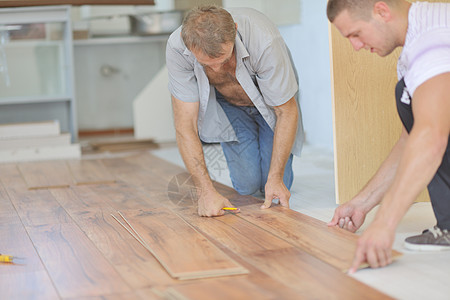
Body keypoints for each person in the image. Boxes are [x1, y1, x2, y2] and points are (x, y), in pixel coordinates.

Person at [326, 0, 450, 273]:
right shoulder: (416, 44)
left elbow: (431, 139)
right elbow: (411, 140)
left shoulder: (431, 42)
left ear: (381, 11)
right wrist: (362, 203)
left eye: (355, 34)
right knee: (406, 96)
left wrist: (384, 224)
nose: (355, 46)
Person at [166, 6, 304, 217]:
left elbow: (286, 111)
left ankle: (276, 174)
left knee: (277, 185)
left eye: (222, 59)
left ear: (235, 31)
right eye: (206, 64)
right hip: (231, 107)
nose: (216, 70)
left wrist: (275, 178)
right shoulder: (178, 49)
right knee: (247, 187)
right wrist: (205, 192)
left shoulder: (263, 40)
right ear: (188, 45)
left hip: (272, 106)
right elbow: (185, 126)